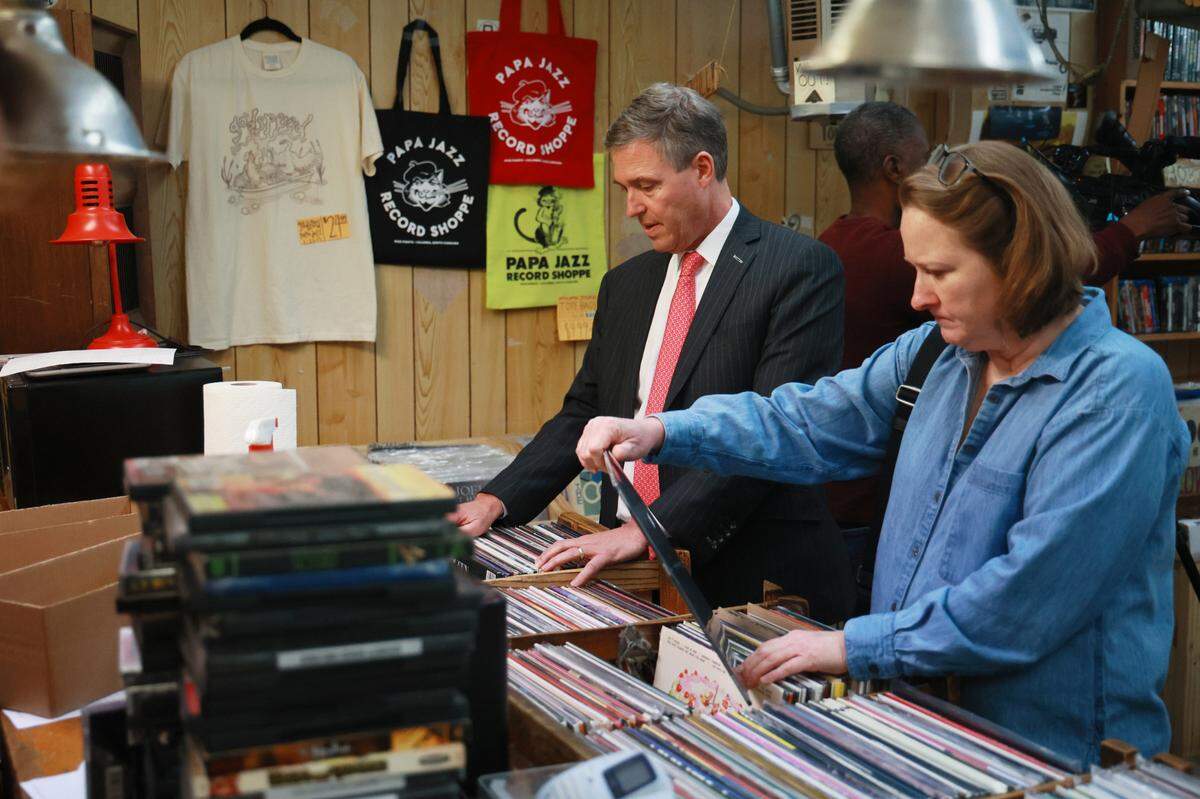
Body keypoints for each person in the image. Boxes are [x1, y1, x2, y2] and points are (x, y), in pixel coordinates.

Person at [572, 140, 1188, 765]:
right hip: (923, 728)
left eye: (940, 273)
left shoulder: (1115, 392)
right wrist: (662, 430)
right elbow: (804, 422)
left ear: (1021, 262)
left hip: (1048, 755)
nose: (918, 296)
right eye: (915, 270)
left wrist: (855, 647)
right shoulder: (935, 356)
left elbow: (1030, 599)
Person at [452, 83, 854, 618]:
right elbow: (586, 411)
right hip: (631, 566)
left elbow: (771, 432)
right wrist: (496, 499)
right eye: (624, 187)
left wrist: (652, 526)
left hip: (755, 576)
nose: (630, 208)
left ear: (704, 168)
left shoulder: (798, 268)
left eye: (646, 185)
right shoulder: (627, 284)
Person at [820, 101, 1194, 531]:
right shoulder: (904, 293)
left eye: (937, 272)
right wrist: (1134, 229)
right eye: (925, 159)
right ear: (894, 167)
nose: (920, 298)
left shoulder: (836, 241)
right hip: (873, 505)